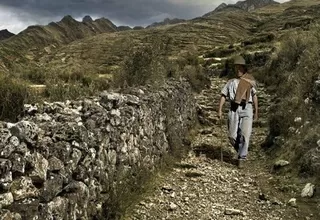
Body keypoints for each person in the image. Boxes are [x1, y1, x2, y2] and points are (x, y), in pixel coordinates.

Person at [218, 55, 259, 167]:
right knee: (232, 136)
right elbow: (223, 95)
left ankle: (242, 158)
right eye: (236, 67)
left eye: (240, 68)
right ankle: (241, 150)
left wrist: (256, 111)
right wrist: (220, 110)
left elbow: (254, 96)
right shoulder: (230, 82)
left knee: (245, 134)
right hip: (233, 108)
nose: (238, 70)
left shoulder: (250, 81)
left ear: (244, 68)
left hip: (247, 108)